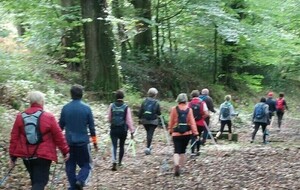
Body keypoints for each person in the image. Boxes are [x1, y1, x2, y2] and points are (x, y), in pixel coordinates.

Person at [9, 91, 69, 190]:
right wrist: (65, 151)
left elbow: (14, 137)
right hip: (43, 155)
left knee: (36, 182)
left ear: (30, 102)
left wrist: (12, 157)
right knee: (40, 182)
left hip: (27, 156)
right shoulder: (48, 117)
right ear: (41, 102)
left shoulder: (20, 116)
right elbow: (58, 136)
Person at [59, 85, 98, 190]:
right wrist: (95, 143)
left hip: (68, 143)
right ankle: (80, 181)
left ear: (71, 94)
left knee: (70, 166)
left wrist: (58, 143)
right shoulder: (86, 108)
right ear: (82, 94)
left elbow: (60, 127)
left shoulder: (65, 108)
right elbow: (92, 128)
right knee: (87, 165)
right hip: (83, 143)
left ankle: (73, 186)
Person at [168, 93, 199, 176]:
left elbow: (171, 121)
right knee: (183, 151)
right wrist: (195, 133)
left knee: (176, 150)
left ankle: (176, 165)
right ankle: (181, 167)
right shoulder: (189, 110)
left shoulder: (174, 109)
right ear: (186, 100)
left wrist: (170, 130)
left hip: (176, 133)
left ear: (178, 99)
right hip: (186, 133)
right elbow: (192, 122)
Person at [107, 90, 135, 171]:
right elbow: (129, 120)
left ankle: (113, 161)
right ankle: (120, 162)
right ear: (123, 97)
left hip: (114, 128)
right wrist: (132, 131)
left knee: (114, 146)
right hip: (123, 129)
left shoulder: (112, 106)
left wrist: (111, 122)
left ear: (116, 97)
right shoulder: (126, 107)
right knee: (122, 146)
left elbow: (109, 118)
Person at [138, 87, 161, 155]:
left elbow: (141, 111)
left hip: (145, 120)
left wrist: (139, 118)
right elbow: (159, 113)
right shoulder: (156, 102)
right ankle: (148, 147)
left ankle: (149, 145)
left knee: (148, 132)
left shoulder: (144, 101)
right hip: (153, 121)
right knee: (150, 133)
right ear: (155, 94)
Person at [188, 90, 209, 156]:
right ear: (198, 95)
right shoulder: (202, 103)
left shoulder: (189, 103)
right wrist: (202, 117)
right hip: (200, 123)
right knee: (198, 136)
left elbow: (187, 113)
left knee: (193, 137)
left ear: (192, 95)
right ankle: (198, 151)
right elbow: (206, 114)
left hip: (192, 123)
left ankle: (192, 152)